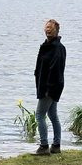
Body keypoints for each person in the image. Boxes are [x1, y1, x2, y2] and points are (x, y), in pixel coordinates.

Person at [33, 18, 66, 155]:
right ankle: (56, 145)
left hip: (50, 87)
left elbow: (55, 70)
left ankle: (44, 146)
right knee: (52, 114)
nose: (48, 30)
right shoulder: (45, 46)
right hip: (44, 86)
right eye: (47, 28)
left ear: (56, 30)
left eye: (51, 28)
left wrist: (48, 89)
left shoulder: (58, 48)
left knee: (39, 115)